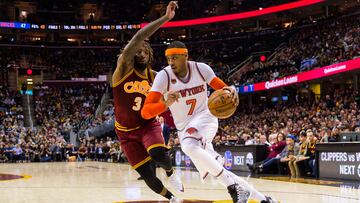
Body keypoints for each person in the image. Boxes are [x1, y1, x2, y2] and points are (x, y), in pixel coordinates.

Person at [141, 41, 278, 203]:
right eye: (168, 58)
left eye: (175, 58)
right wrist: (165, 103)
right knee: (217, 170)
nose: (171, 62)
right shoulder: (164, 76)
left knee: (188, 146)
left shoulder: (201, 69)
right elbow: (145, 112)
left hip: (206, 117)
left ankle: (233, 188)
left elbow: (224, 90)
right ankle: (263, 199)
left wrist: (231, 90)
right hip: (184, 128)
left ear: (185, 56)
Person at [111, 2, 183, 202]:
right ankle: (171, 198)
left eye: (144, 51)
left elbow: (176, 94)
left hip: (147, 125)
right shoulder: (123, 69)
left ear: (150, 55)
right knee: (148, 177)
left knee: (159, 154)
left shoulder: (157, 77)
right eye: (137, 51)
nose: (140, 53)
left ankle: (170, 172)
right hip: (125, 132)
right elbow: (139, 37)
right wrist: (165, 18)